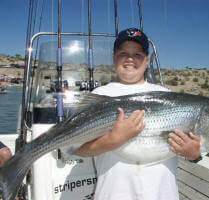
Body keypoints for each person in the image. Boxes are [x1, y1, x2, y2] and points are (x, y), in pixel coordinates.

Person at [76, 28, 201, 200]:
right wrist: (114, 140)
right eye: (123, 53)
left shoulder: (166, 95)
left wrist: (194, 155)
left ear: (147, 60)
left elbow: (190, 148)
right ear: (114, 58)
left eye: (137, 54)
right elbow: (79, 149)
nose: (130, 59)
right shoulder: (100, 95)